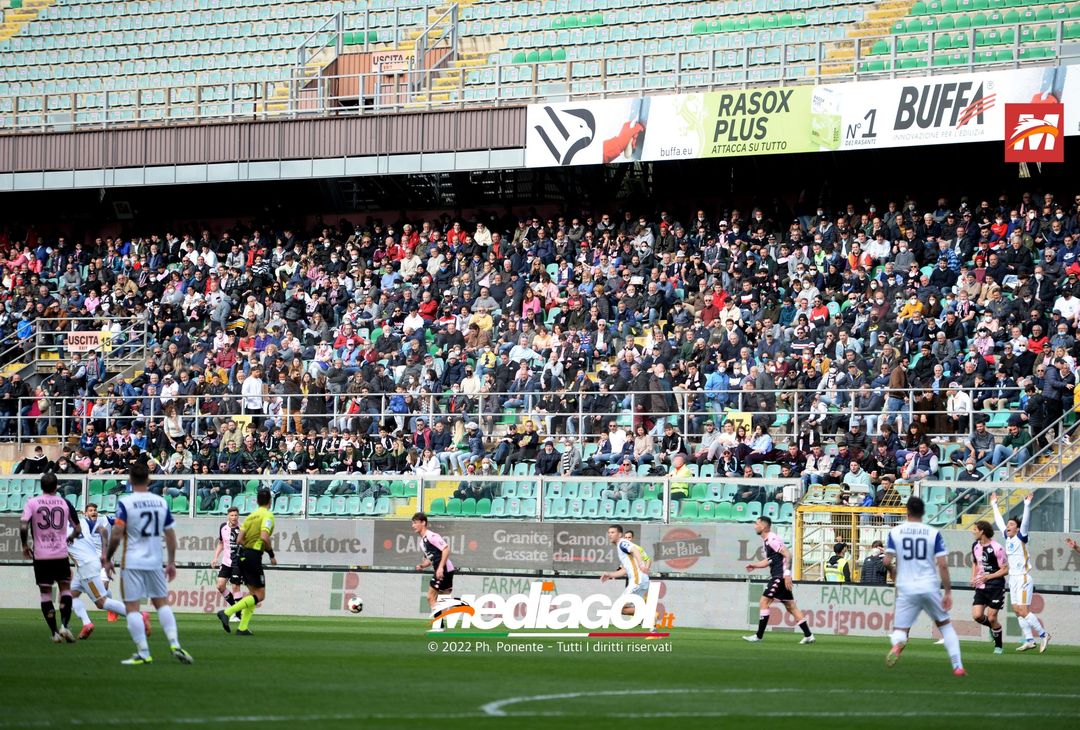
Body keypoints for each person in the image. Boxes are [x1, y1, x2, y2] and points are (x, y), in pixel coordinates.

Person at [103, 462, 193, 665]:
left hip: (132, 561)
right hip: (155, 561)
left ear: (130, 480)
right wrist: (171, 562)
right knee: (162, 603)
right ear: (149, 479)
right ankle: (175, 643)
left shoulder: (126, 503)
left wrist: (108, 558)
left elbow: (117, 533)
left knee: (132, 607)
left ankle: (144, 652)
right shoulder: (160, 502)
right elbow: (170, 534)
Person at [883, 496, 964, 675]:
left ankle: (899, 643)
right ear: (923, 512)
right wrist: (948, 592)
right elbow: (942, 565)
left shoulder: (896, 532)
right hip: (928, 585)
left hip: (906, 588)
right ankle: (957, 666)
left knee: (900, 631)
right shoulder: (932, 533)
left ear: (907, 511)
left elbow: (887, 561)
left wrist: (892, 570)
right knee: (945, 626)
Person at [68, 502, 149, 640]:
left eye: (95, 510)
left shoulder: (95, 521)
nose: (93, 512)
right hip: (86, 565)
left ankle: (138, 616)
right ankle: (86, 623)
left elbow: (108, 528)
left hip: (90, 565)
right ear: (84, 513)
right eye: (90, 510)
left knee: (102, 600)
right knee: (69, 597)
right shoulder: (83, 523)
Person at [20, 472, 80, 643]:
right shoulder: (65, 502)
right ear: (56, 486)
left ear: (41, 486)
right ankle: (65, 626)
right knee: (65, 589)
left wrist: (24, 545)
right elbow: (77, 528)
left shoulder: (32, 502)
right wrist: (71, 537)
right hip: (60, 554)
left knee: (45, 594)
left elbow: (23, 525)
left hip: (41, 555)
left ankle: (54, 633)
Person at [991, 493, 1050, 652]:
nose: (1008, 526)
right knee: (1017, 610)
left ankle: (1044, 634)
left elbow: (1025, 523)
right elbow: (999, 521)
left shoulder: (1021, 536)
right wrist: (994, 504)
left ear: (1017, 529)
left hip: (1023, 577)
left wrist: (1026, 505)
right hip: (1013, 579)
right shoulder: (1008, 538)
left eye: (1011, 524)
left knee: (1023, 610)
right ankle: (1029, 640)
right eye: (1008, 524)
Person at [743, 516, 814, 644]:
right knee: (791, 607)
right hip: (779, 576)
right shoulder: (767, 541)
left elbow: (788, 554)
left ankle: (758, 636)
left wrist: (787, 574)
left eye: (757, 523)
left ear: (763, 526)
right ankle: (808, 635)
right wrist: (754, 565)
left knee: (764, 602)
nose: (755, 526)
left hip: (779, 576)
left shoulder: (772, 539)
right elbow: (770, 560)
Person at [216, 489, 277, 636]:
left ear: (257, 501)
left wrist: (248, 548)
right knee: (260, 595)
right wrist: (271, 554)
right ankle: (227, 612)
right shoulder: (267, 515)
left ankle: (242, 627)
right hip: (253, 557)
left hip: (242, 556)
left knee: (252, 594)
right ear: (270, 501)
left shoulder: (250, 517)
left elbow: (239, 540)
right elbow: (264, 537)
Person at [599, 524, 655, 627]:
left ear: (620, 534)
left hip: (637, 580)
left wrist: (641, 564)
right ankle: (651, 625)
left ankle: (648, 614)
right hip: (642, 580)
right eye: (609, 533)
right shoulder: (620, 547)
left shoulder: (622, 543)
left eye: (613, 532)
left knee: (618, 608)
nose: (610, 535)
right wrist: (610, 574)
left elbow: (635, 549)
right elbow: (624, 570)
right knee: (623, 609)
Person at [411, 512, 455, 631]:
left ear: (423, 523)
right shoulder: (422, 542)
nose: (413, 525)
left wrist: (440, 568)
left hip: (444, 569)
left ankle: (438, 626)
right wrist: (422, 565)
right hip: (446, 569)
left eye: (415, 523)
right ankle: (441, 624)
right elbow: (430, 559)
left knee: (430, 597)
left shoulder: (431, 536)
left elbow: (445, 549)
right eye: (413, 523)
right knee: (442, 599)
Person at [970, 520, 1008, 655]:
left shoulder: (997, 548)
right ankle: (993, 628)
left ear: (982, 531)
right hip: (981, 586)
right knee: (977, 616)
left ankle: (999, 646)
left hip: (996, 586)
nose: (973, 532)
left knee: (992, 618)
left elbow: (1005, 570)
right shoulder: (975, 545)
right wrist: (973, 577)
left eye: (975, 529)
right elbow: (975, 562)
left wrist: (988, 577)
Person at [210, 506, 244, 621]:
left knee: (235, 587)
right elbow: (221, 543)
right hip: (226, 562)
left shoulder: (242, 529)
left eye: (236, 515)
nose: (234, 517)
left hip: (237, 563)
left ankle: (238, 615)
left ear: (238, 516)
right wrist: (215, 557)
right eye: (232, 515)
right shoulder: (223, 527)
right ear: (228, 516)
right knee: (220, 586)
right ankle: (235, 609)